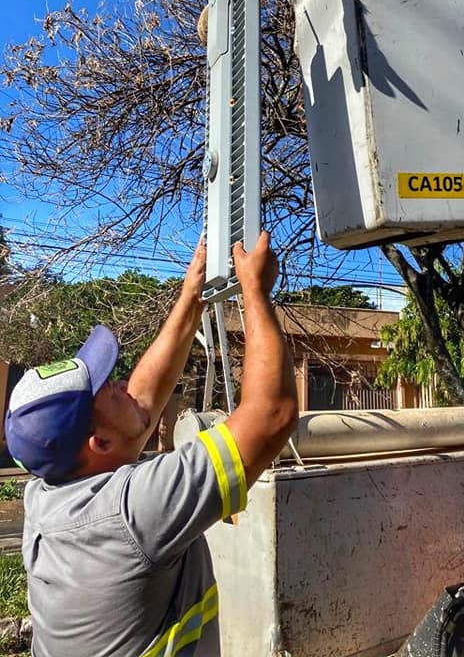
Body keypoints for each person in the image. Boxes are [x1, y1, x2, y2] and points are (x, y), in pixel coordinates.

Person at [5, 231, 298, 657]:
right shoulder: (130, 513)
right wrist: (255, 291)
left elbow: (137, 407)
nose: (124, 384)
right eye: (109, 389)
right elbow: (272, 415)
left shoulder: (49, 490)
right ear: (98, 442)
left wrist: (191, 297)